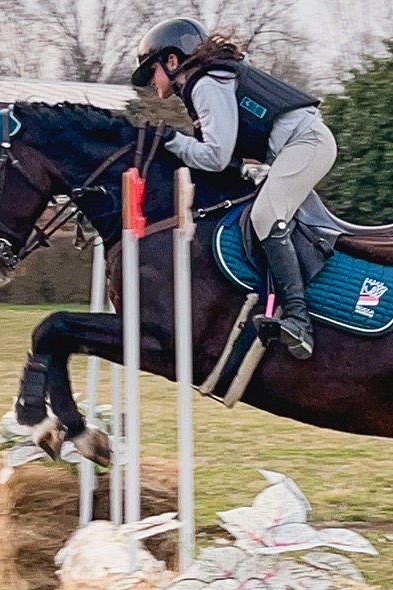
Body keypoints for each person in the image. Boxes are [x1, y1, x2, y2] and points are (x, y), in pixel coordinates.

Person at [131, 17, 337, 360]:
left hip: (307, 143)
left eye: (152, 71)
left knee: (266, 216)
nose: (152, 83)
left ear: (171, 61)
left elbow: (214, 156)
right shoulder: (206, 82)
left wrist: (170, 139)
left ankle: (300, 321)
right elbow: (225, 158)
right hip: (298, 146)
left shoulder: (206, 83)